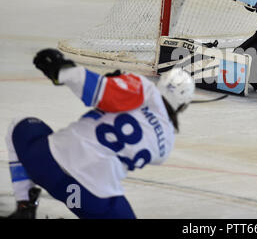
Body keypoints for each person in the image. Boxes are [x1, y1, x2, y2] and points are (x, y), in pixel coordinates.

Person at [4, 48, 195, 219]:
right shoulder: (166, 145)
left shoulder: (144, 89)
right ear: (183, 105)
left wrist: (62, 70)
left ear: (161, 83)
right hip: (89, 197)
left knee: (19, 125)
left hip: (46, 165)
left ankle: (24, 206)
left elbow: (96, 89)